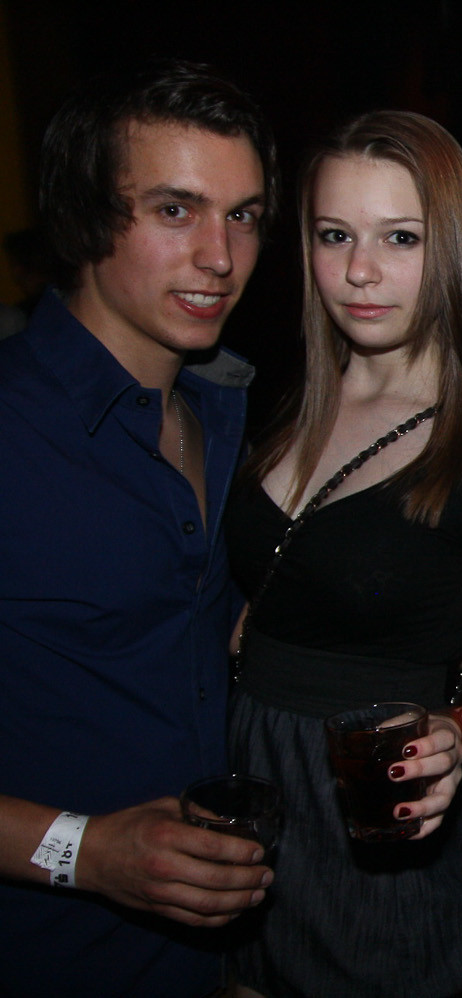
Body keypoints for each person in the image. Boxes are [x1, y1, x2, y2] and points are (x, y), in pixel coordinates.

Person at [225, 110, 462, 996]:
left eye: (399, 238)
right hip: (251, 796)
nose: (360, 271)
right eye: (334, 235)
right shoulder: (280, 407)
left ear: (449, 248)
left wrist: (457, 734)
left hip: (379, 812)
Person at [0, 61, 275, 997]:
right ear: (85, 216)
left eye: (243, 215)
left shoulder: (228, 419)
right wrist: (84, 852)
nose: (220, 256)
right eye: (175, 210)